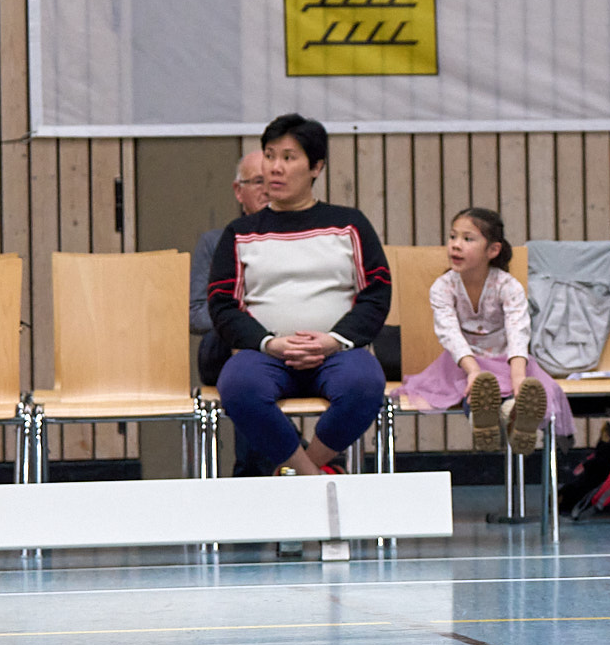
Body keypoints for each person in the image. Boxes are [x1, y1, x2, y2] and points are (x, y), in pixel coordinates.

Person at [207, 113, 392, 476]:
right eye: (270, 156)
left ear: (316, 167)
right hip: (266, 354)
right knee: (238, 386)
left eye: (288, 158)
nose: (275, 168)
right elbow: (222, 304)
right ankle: (312, 475)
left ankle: (298, 469)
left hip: (337, 352)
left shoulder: (350, 224)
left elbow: (376, 292)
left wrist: (334, 340)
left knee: (365, 385)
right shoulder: (240, 232)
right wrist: (269, 343)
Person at [397, 208, 571, 453]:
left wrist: (518, 377)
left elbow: (518, 331)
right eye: (453, 237)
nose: (456, 245)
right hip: (464, 363)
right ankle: (485, 423)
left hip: (508, 362)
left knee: (516, 387)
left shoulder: (508, 286)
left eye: (467, 239)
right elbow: (449, 333)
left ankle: (513, 413)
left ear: (493, 250)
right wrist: (473, 371)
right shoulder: (443, 287)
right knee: (477, 389)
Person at [191, 150, 269, 388]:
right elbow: (195, 315)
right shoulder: (214, 243)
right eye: (258, 181)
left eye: (273, 182)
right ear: (238, 191)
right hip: (229, 344)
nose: (267, 190)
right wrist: (247, 316)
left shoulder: (305, 240)